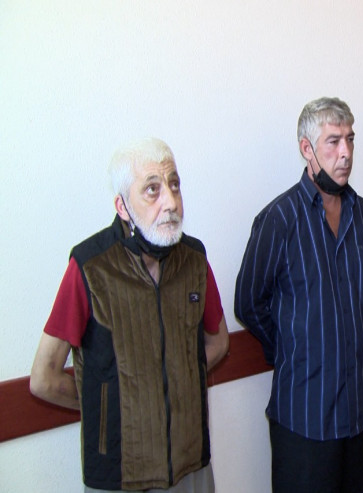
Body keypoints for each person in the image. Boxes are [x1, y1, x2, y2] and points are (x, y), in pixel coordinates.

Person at [29, 138, 230, 492]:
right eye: (152, 189)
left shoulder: (194, 259)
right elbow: (43, 378)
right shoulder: (90, 266)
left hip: (191, 463)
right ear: (122, 206)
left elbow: (218, 342)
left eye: (174, 185)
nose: (171, 202)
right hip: (120, 473)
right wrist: (109, 407)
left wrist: (174, 388)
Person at [234, 97, 363, 493]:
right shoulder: (279, 219)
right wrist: (290, 347)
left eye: (350, 139)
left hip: (358, 413)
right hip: (304, 417)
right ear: (306, 148)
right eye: (333, 141)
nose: (346, 152)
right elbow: (248, 303)